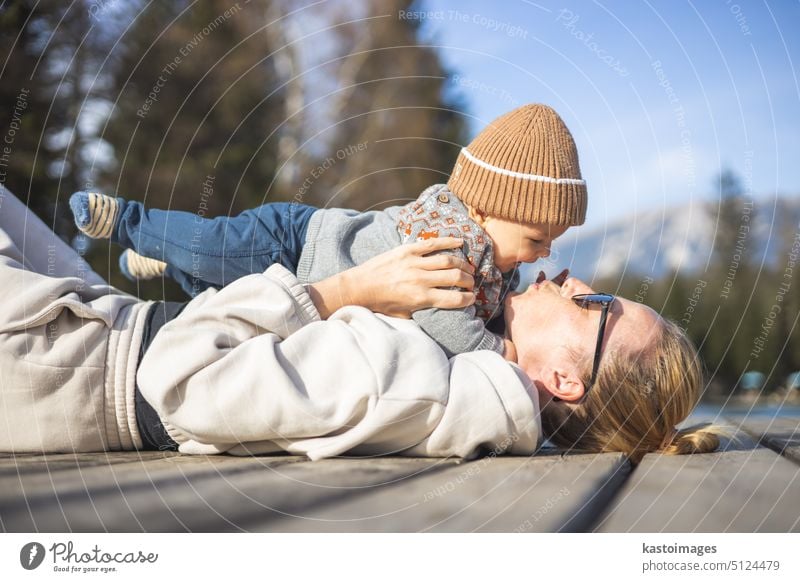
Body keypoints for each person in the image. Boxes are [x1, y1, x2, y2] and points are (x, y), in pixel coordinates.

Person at [1, 186, 725, 463]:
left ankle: (131, 222)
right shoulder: (462, 347)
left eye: (598, 307)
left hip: (60, 356)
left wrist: (343, 288)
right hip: (104, 327)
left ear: (564, 378)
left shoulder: (420, 385)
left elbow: (173, 381)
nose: (575, 279)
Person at [68, 103, 586, 360]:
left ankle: (167, 259)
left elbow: (488, 309)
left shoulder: (494, 268)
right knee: (213, 249)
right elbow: (445, 322)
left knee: (221, 294)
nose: (543, 253)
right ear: (487, 211)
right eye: (538, 238)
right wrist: (501, 353)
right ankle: (131, 222)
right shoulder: (451, 246)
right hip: (295, 245)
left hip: (300, 280)